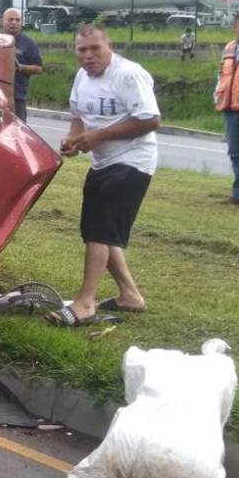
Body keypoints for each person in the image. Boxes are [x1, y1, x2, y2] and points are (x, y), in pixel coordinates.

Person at [46, 24, 161, 327]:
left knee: (98, 231)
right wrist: (74, 139)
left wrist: (99, 136)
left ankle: (85, 303)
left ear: (110, 45)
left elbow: (150, 120)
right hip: (102, 162)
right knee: (100, 230)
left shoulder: (128, 74)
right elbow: (77, 116)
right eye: (82, 50)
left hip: (133, 161)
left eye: (95, 48)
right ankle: (130, 296)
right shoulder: (82, 77)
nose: (88, 55)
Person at [215, 10, 239, 205]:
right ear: (234, 27)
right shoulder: (229, 48)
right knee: (236, 154)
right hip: (230, 109)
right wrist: (217, 95)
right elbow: (221, 76)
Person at [2, 8, 43, 122]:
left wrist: (20, 67)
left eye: (17, 20)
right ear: (2, 21)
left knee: (17, 131)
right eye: (10, 20)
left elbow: (38, 68)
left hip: (17, 97)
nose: (14, 23)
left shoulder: (28, 43)